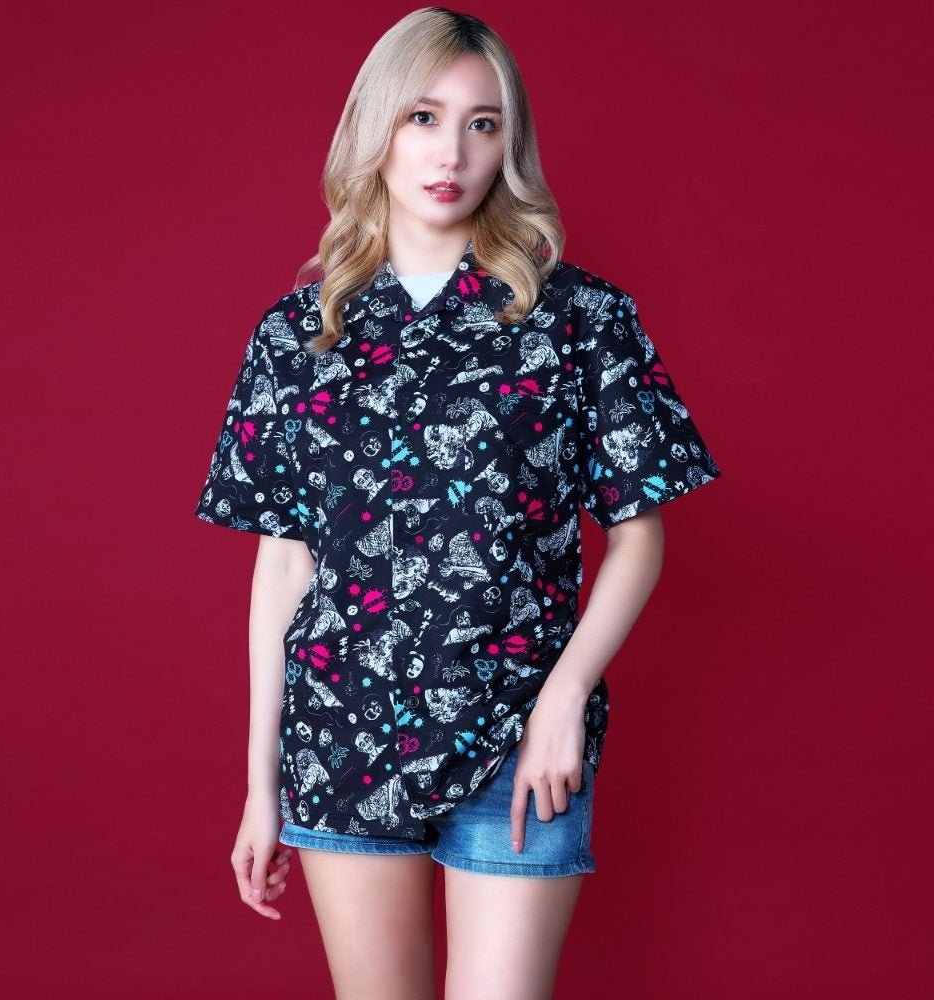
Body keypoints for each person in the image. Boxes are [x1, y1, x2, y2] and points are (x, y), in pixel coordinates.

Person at [195, 8, 719, 998]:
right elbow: (283, 567)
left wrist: (564, 699)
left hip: (519, 736)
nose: (452, 152)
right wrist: (261, 787)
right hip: (342, 739)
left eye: (484, 124)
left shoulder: (580, 318)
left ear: (509, 143)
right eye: (424, 118)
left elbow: (638, 536)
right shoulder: (296, 335)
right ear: (378, 128)